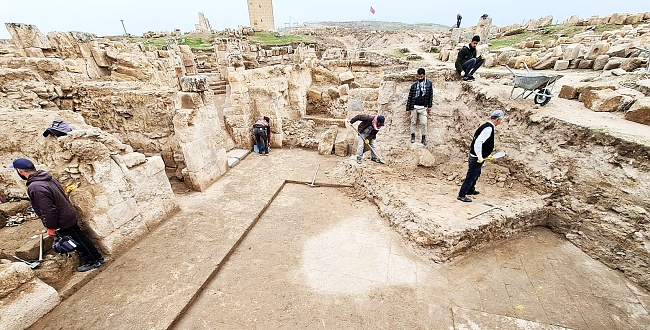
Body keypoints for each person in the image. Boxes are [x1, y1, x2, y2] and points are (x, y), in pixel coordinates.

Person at [10, 158, 105, 271]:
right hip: (68, 213)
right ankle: (98, 257)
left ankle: (91, 261)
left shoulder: (35, 187)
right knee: (80, 236)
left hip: (61, 219)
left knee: (74, 241)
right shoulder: (46, 177)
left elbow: (48, 210)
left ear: (20, 171)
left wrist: (50, 227)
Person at [457, 110, 504, 202]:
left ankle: (470, 189)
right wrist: (479, 156)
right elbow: (478, 142)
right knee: (471, 175)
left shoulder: (486, 126)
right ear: (498, 119)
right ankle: (461, 195)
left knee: (476, 174)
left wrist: (486, 154)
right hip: (476, 157)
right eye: (501, 120)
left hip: (477, 155)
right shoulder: (488, 128)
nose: (500, 122)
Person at [406, 68, 433, 145]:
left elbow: (430, 96)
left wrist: (429, 106)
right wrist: (408, 109)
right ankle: (413, 136)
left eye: (421, 76)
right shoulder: (414, 85)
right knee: (413, 122)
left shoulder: (429, 84)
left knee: (424, 123)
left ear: (424, 75)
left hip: (423, 107)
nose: (420, 78)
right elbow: (410, 97)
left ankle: (423, 138)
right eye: (419, 77)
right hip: (414, 107)